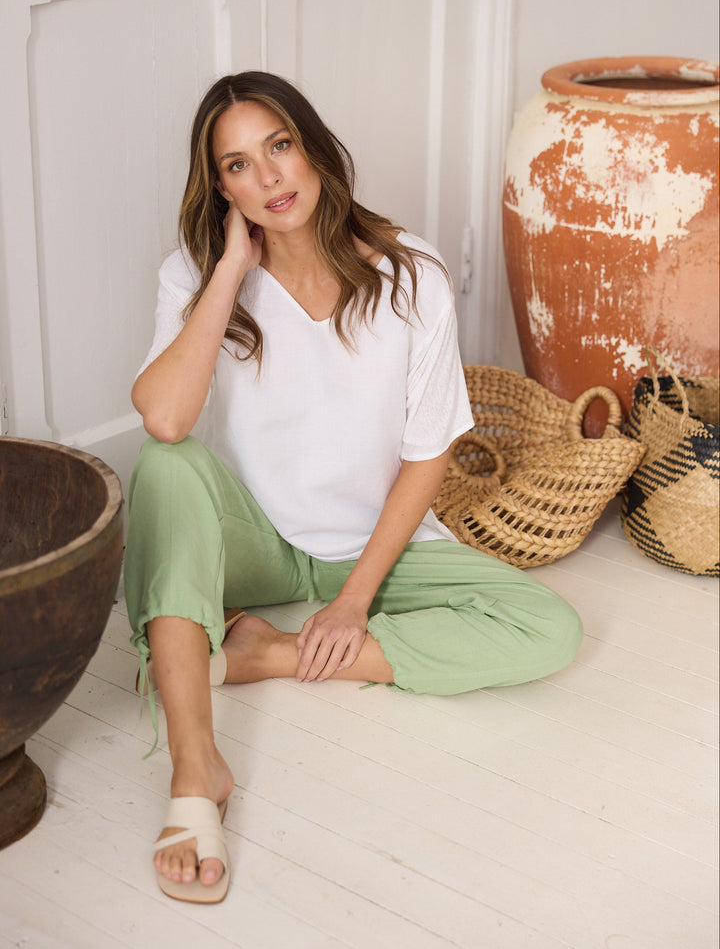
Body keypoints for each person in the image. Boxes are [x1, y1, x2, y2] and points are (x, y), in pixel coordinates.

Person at [124, 70, 583, 904]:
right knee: (165, 466)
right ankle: (197, 771)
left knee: (547, 627)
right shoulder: (193, 276)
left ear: (314, 146)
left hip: (373, 548)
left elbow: (427, 452)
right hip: (256, 547)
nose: (268, 179)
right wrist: (230, 269)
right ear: (217, 187)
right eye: (236, 166)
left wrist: (354, 600)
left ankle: (264, 653)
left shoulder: (413, 274)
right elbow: (163, 419)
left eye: (279, 146)